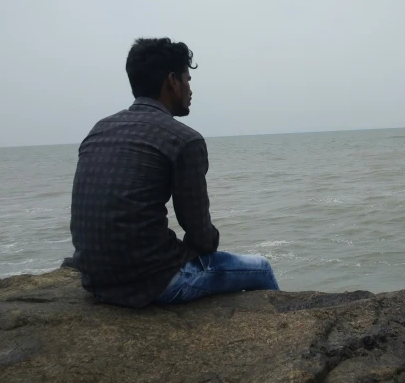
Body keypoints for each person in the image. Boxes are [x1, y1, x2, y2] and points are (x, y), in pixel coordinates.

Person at [70, 38, 279, 308]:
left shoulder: (99, 130)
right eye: (188, 80)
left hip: (95, 278)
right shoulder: (183, 139)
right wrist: (196, 250)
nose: (190, 89)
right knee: (261, 268)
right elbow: (201, 236)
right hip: (153, 283)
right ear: (172, 81)